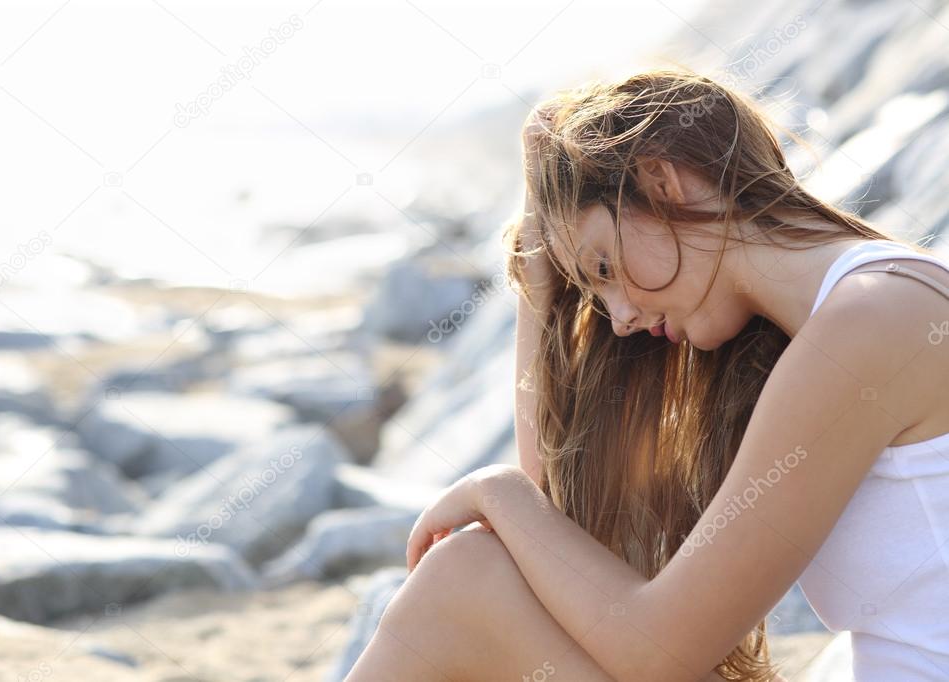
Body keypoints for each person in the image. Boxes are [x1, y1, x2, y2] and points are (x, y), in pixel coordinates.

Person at [345, 68, 949, 681]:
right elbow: (555, 552)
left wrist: (495, 491)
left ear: (663, 182)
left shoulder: (875, 320)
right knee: (475, 570)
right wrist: (538, 286)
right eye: (593, 289)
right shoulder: (840, 317)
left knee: (463, 578)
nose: (621, 318)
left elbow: (660, 654)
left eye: (603, 265)